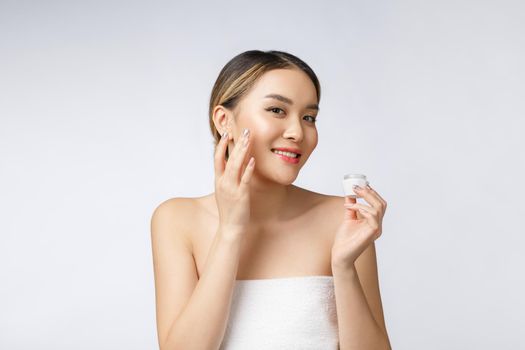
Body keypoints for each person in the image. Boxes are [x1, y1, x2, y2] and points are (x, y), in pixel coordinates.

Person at [151, 50, 392, 350]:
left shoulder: (343, 219)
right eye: (277, 110)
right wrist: (230, 231)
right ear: (224, 120)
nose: (297, 132)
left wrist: (343, 268)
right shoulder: (177, 220)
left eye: (309, 117)